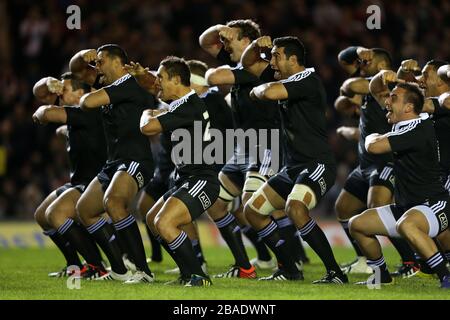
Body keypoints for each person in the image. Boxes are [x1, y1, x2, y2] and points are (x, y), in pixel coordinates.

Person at [244, 36, 347, 284]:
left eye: (276, 56)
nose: (271, 62)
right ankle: (289, 268)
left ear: (293, 59)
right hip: (294, 167)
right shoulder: (286, 79)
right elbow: (249, 65)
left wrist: (259, 90)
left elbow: (267, 91)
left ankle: (335, 272)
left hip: (317, 164)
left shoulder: (307, 80)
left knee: (295, 207)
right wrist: (256, 46)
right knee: (253, 211)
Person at [350, 76, 450, 288]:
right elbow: (375, 89)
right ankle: (380, 276)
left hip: (433, 204)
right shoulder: (407, 124)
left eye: (393, 97)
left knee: (407, 224)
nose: (388, 101)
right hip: (407, 207)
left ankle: (446, 277)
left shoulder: (416, 129)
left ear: (408, 107)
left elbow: (374, 147)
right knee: (357, 224)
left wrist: (370, 136)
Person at [335, 46, 419, 276]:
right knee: (344, 209)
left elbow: (350, 86)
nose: (361, 66)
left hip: (386, 161)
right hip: (365, 164)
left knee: (377, 210)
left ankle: (412, 262)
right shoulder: (369, 91)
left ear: (382, 67)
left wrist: (350, 87)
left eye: (366, 63)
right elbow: (344, 100)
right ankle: (364, 258)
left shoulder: (391, 88)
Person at [76, 44, 156, 283]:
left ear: (117, 63)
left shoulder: (128, 85)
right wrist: (82, 56)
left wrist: (92, 86)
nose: (97, 67)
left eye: (101, 62)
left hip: (135, 160)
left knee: (113, 202)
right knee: (85, 210)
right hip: (114, 163)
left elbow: (86, 102)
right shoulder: (113, 86)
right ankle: (120, 269)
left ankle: (143, 271)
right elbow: (77, 71)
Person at [141, 56, 220, 286]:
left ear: (176, 80)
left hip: (201, 180)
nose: (158, 83)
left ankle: (198, 276)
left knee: (165, 223)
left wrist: (147, 112)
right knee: (152, 220)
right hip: (187, 179)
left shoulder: (188, 106)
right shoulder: (183, 105)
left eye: (162, 78)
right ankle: (188, 273)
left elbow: (148, 128)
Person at [32, 73, 107, 278]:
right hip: (79, 181)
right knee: (41, 215)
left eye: (64, 89)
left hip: (95, 181)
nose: (59, 93)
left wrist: (41, 114)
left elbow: (46, 112)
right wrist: (47, 81)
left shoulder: (89, 110)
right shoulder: (76, 112)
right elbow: (39, 93)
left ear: (81, 93)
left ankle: (96, 266)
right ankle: (74, 265)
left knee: (55, 214)